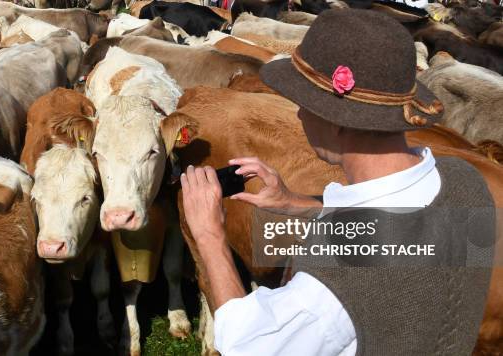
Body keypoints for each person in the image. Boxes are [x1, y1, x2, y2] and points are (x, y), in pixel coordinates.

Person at [180, 9, 495, 356]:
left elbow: (251, 346)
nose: (299, 113)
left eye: (303, 102)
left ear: (338, 120)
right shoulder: (464, 180)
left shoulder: (334, 281)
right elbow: (407, 235)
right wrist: (297, 204)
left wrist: (209, 235)